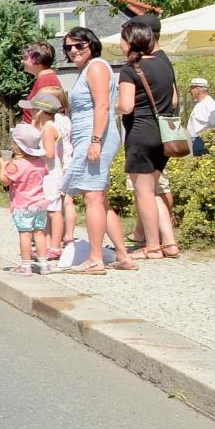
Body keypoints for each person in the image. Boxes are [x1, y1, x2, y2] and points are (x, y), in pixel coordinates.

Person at [58, 27, 138, 274]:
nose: (73, 51)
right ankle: (122, 256)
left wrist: (95, 141)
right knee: (100, 198)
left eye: (79, 45)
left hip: (96, 136)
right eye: (68, 47)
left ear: (91, 45)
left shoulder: (97, 67)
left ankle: (95, 259)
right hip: (90, 136)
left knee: (92, 197)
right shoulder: (85, 71)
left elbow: (102, 106)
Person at [118, 20, 181, 259]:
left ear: (130, 42)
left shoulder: (130, 69)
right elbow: (174, 100)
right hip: (162, 134)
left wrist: (114, 106)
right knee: (153, 191)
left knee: (143, 192)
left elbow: (126, 106)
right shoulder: (164, 64)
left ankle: (152, 246)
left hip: (140, 133)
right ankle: (170, 243)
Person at [21, 89, 76, 261]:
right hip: (52, 173)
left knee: (54, 212)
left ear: (41, 111)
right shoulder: (49, 126)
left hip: (51, 174)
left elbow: (49, 153)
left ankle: (54, 246)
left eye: (32, 109)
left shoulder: (48, 129)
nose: (30, 112)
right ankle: (47, 245)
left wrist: (32, 152)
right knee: (48, 210)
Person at [0, 123, 52, 276]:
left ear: (17, 146)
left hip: (23, 206)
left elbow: (4, 181)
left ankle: (25, 266)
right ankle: (44, 264)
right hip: (40, 204)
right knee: (39, 233)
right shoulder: (40, 163)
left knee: (25, 234)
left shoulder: (16, 165)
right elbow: (44, 174)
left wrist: (3, 166)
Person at [21, 42, 63, 124]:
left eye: (25, 58)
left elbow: (45, 116)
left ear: (37, 59)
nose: (22, 61)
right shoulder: (44, 78)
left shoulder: (46, 81)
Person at [190, 77, 215, 157]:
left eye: (191, 89)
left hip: (203, 141)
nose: (190, 92)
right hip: (198, 141)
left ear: (197, 89)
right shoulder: (201, 103)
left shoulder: (210, 104)